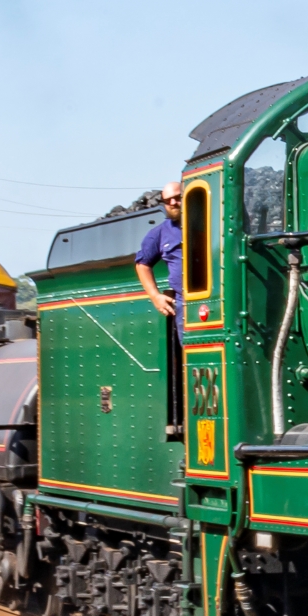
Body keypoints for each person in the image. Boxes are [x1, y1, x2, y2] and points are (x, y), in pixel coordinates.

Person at [134, 181, 185, 440]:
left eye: (178, 197)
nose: (174, 203)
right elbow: (143, 263)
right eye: (169, 201)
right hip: (185, 303)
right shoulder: (160, 234)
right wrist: (155, 296)